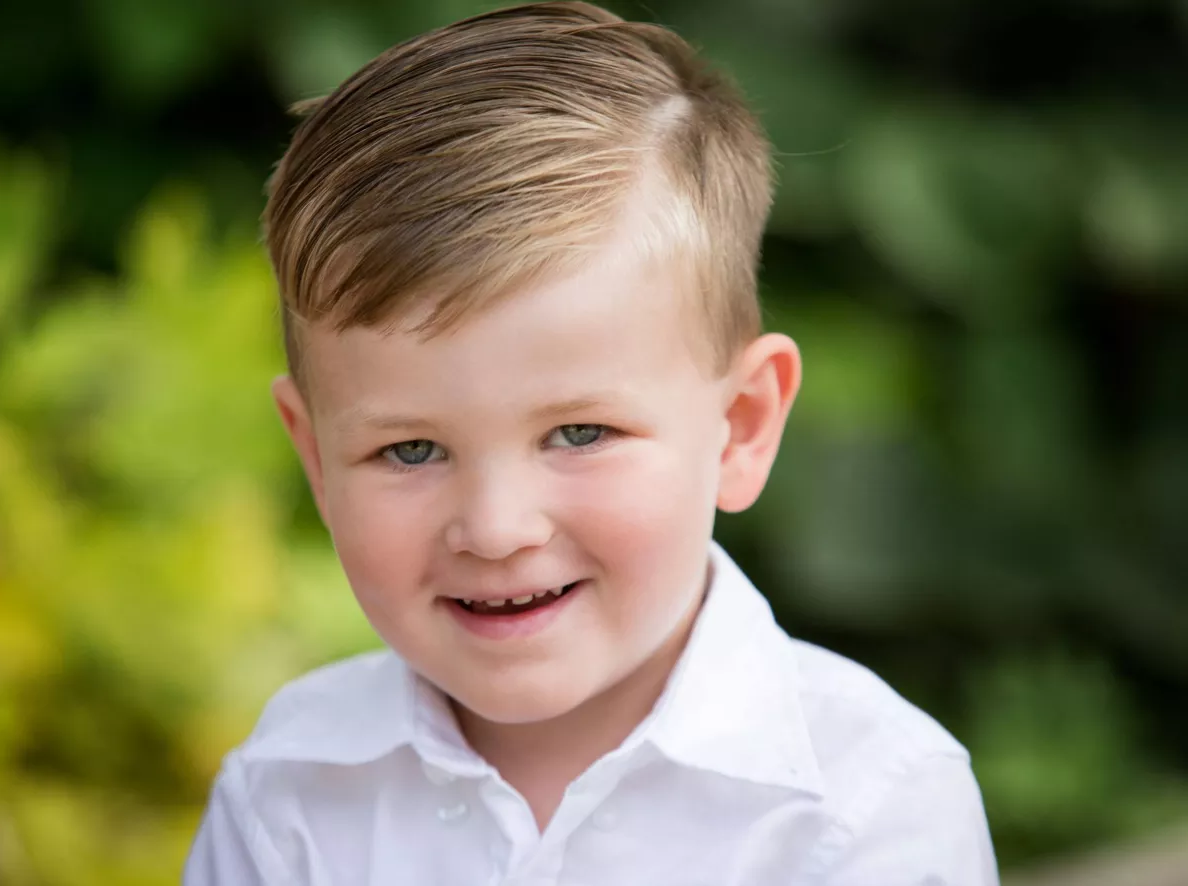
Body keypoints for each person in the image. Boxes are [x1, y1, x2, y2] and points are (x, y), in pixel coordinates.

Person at [183, 2, 1000, 883]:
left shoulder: (867, 810)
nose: (496, 530)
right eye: (411, 451)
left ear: (741, 425)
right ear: (315, 458)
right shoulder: (286, 797)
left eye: (579, 433)